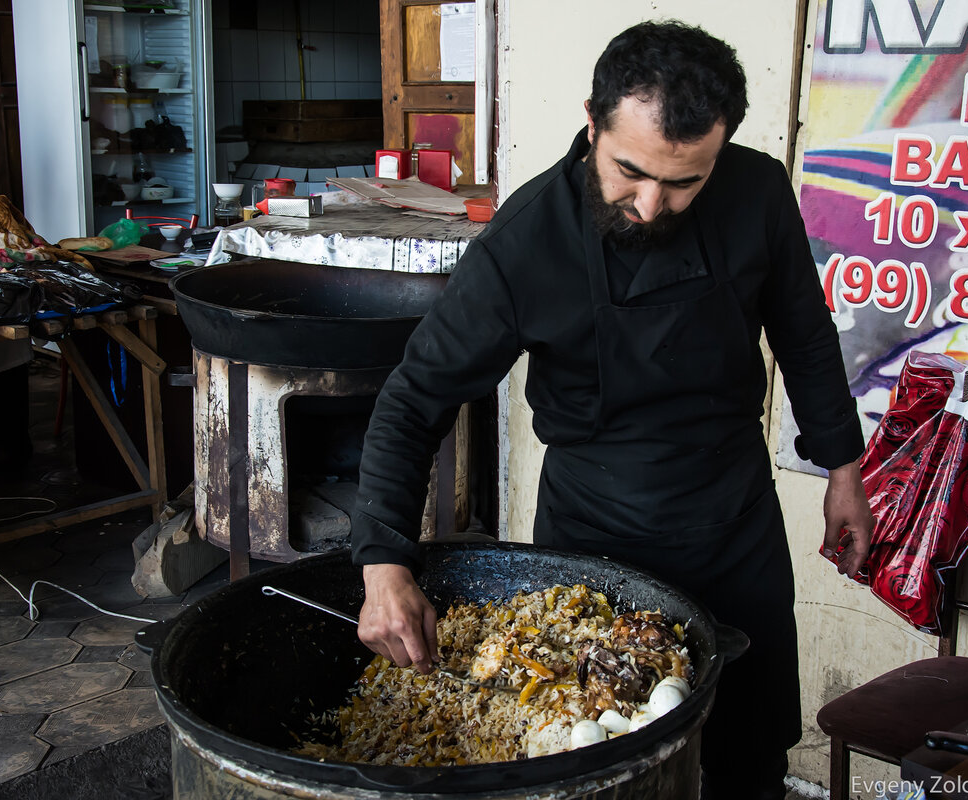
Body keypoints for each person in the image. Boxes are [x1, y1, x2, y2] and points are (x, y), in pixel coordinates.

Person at [351, 20, 874, 799]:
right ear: (591, 122)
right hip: (594, 543)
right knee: (597, 766)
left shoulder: (758, 193)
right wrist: (383, 560)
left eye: (686, 181)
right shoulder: (526, 244)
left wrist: (844, 468)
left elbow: (804, 333)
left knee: (749, 758)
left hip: (734, 521)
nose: (653, 204)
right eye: (630, 172)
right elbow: (415, 398)